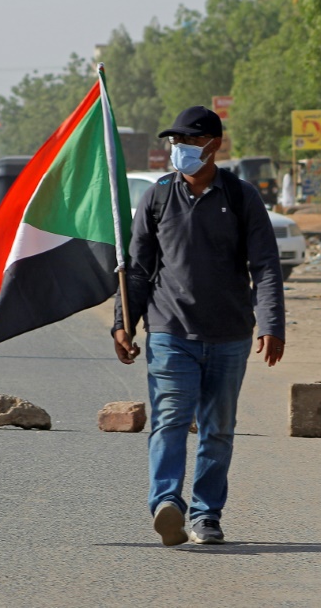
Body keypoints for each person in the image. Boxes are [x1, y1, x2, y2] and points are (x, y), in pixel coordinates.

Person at [112, 105, 285, 547]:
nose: (181, 150)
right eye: (176, 143)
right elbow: (136, 268)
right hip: (170, 331)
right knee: (169, 420)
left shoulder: (242, 197)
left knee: (218, 429)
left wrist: (271, 323)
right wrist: (123, 322)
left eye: (190, 142)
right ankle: (166, 503)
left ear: (214, 145)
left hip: (229, 335)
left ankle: (207, 514)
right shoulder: (157, 197)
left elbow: (265, 265)